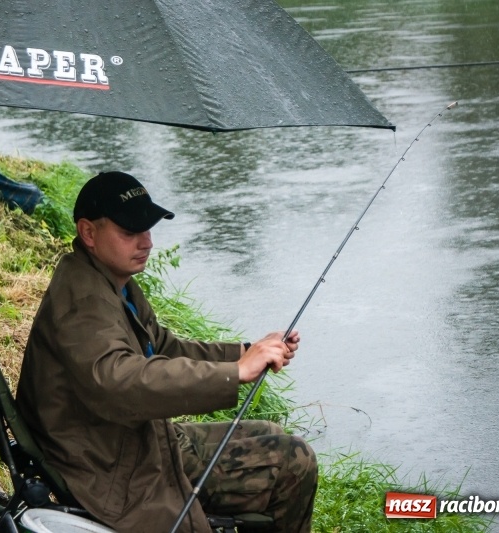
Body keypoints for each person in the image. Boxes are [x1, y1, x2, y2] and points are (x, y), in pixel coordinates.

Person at [16, 171, 317, 533]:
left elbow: (163, 348)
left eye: (147, 229)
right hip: (106, 468)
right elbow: (119, 380)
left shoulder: (113, 282)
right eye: (130, 232)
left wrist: (244, 352)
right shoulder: (85, 301)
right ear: (89, 233)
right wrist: (235, 373)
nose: (146, 242)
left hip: (126, 441)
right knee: (294, 460)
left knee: (271, 432)